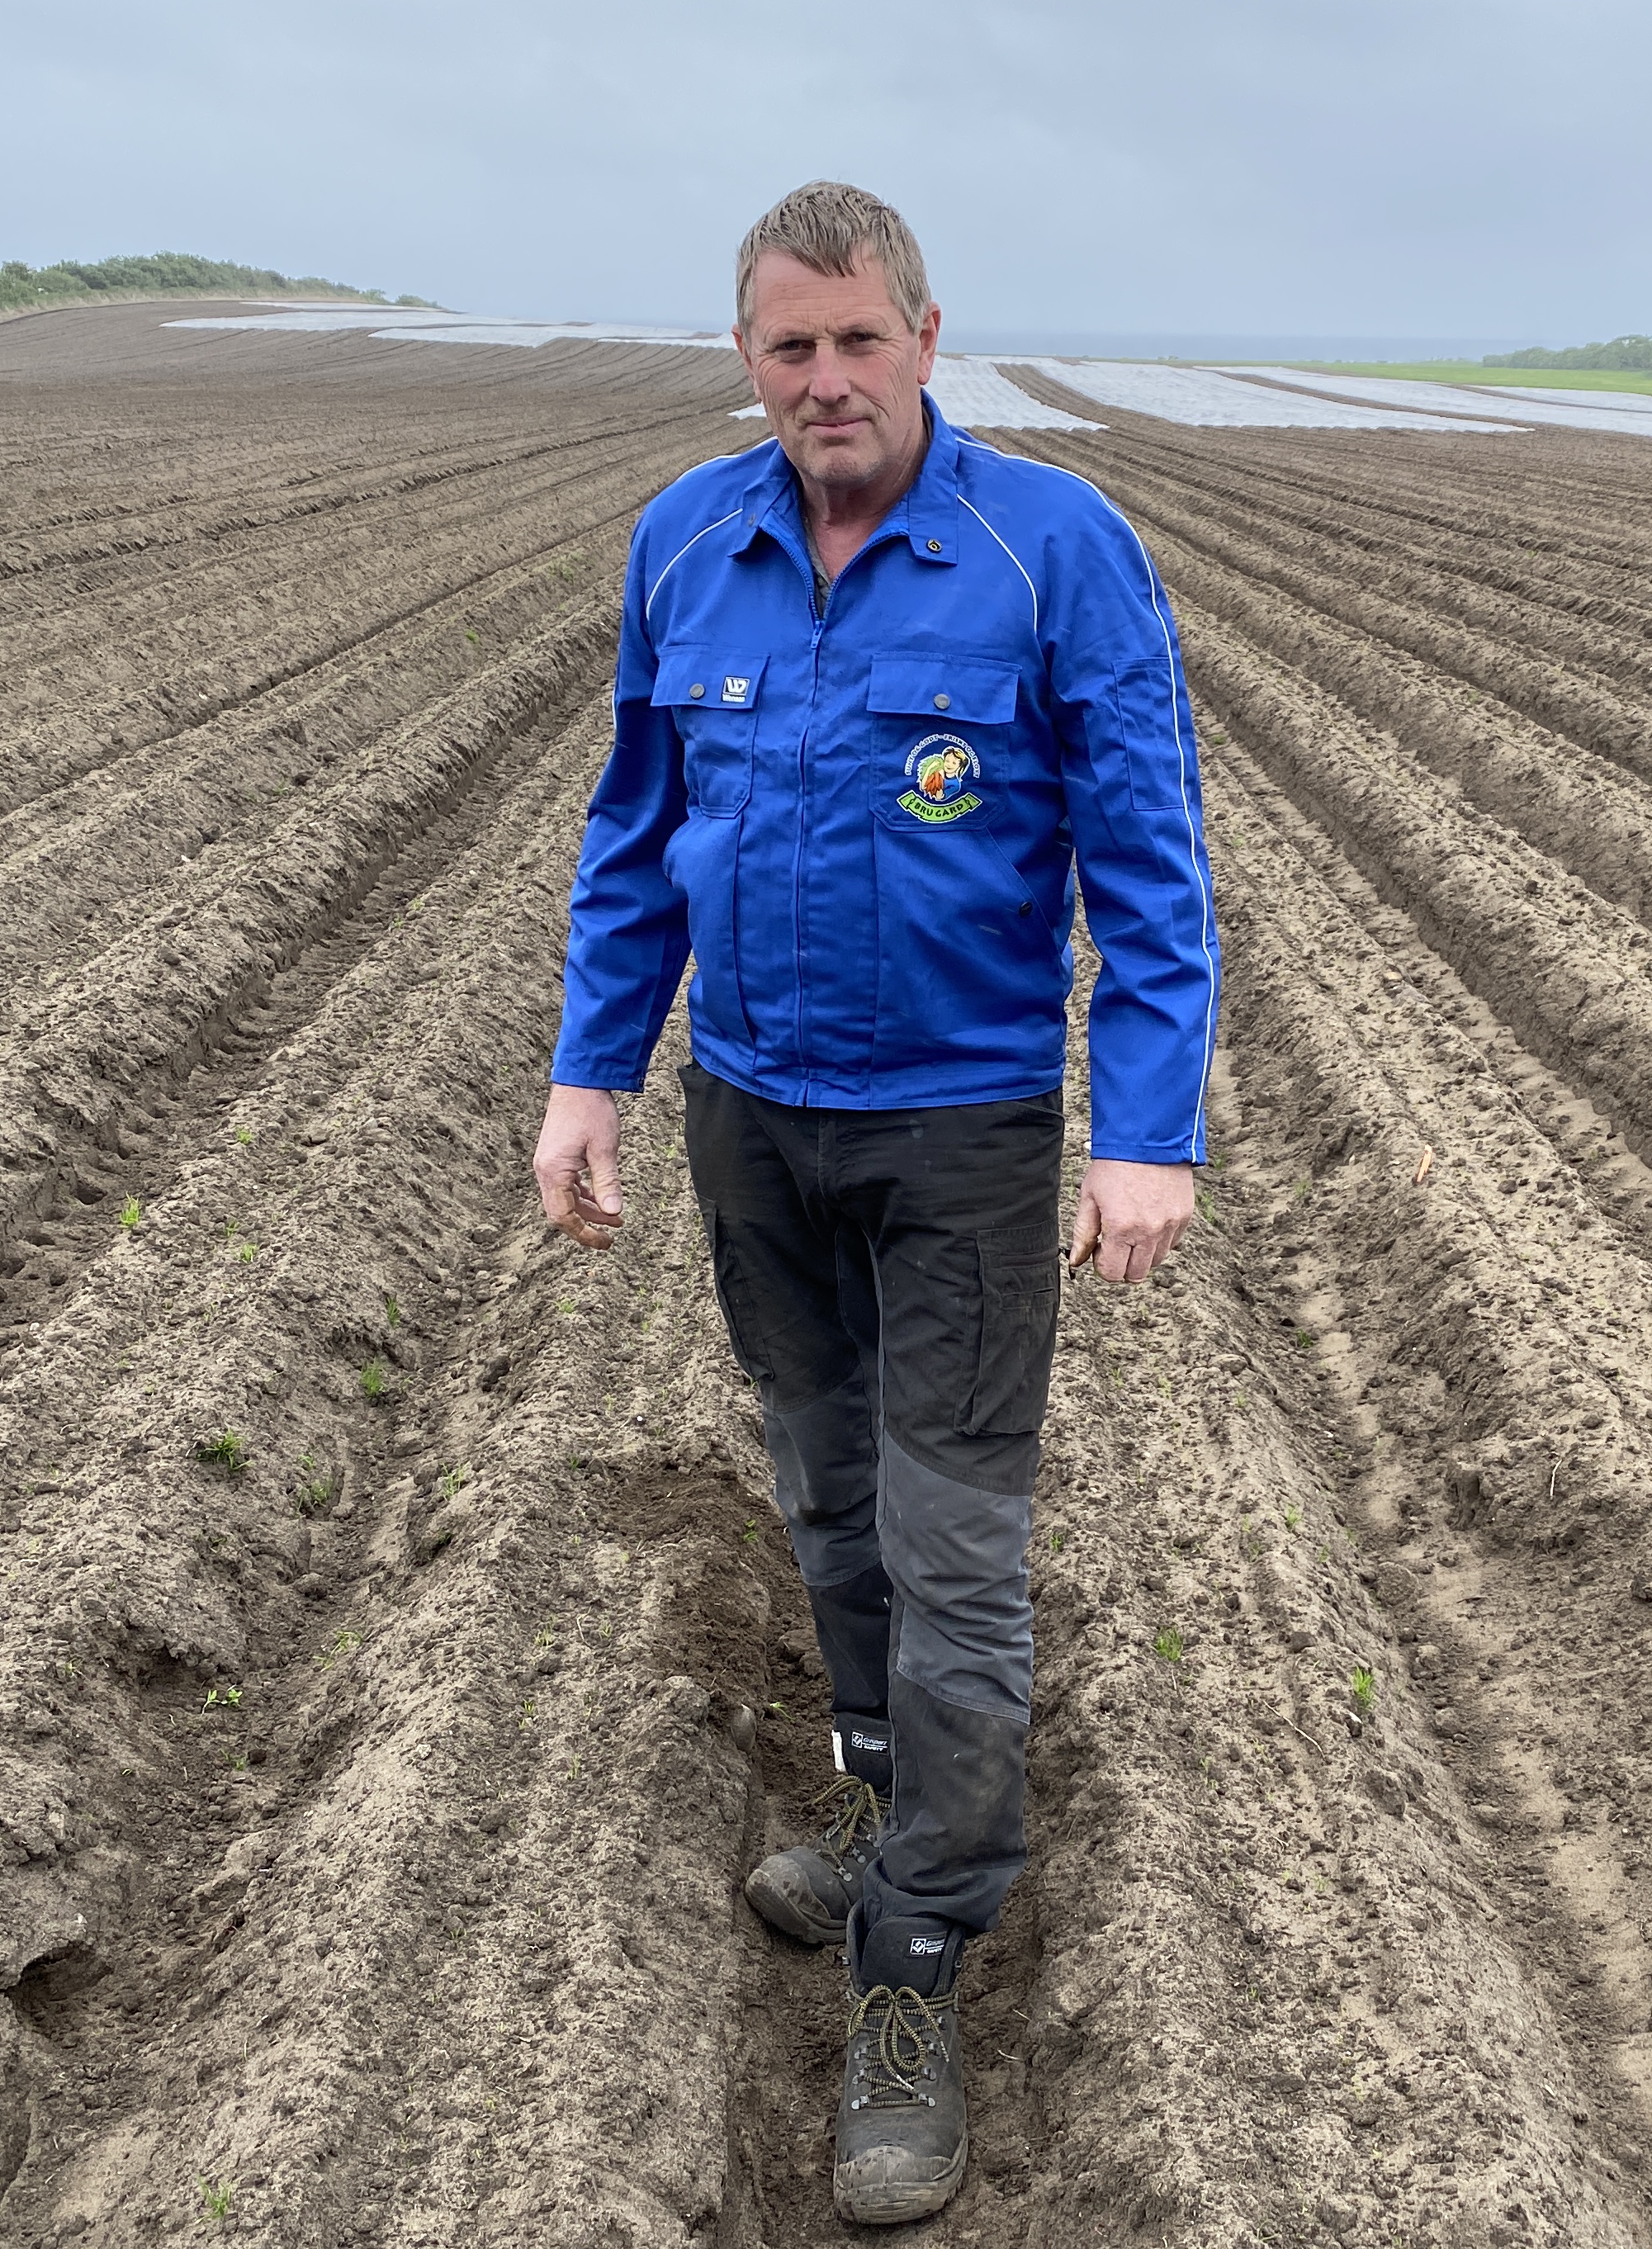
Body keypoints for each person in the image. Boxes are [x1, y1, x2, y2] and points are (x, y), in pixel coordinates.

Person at [532, 182, 1217, 2223]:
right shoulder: (689, 542)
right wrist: (593, 1070)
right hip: (757, 1119)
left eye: (858, 341)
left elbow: (1151, 869)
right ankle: (885, 1806)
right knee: (826, 1509)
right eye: (787, 348)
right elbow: (636, 832)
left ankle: (913, 1962)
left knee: (955, 1546)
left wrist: (1144, 1126)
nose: (824, 382)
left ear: (929, 337)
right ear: (748, 358)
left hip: (967, 1136)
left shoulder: (1051, 554)